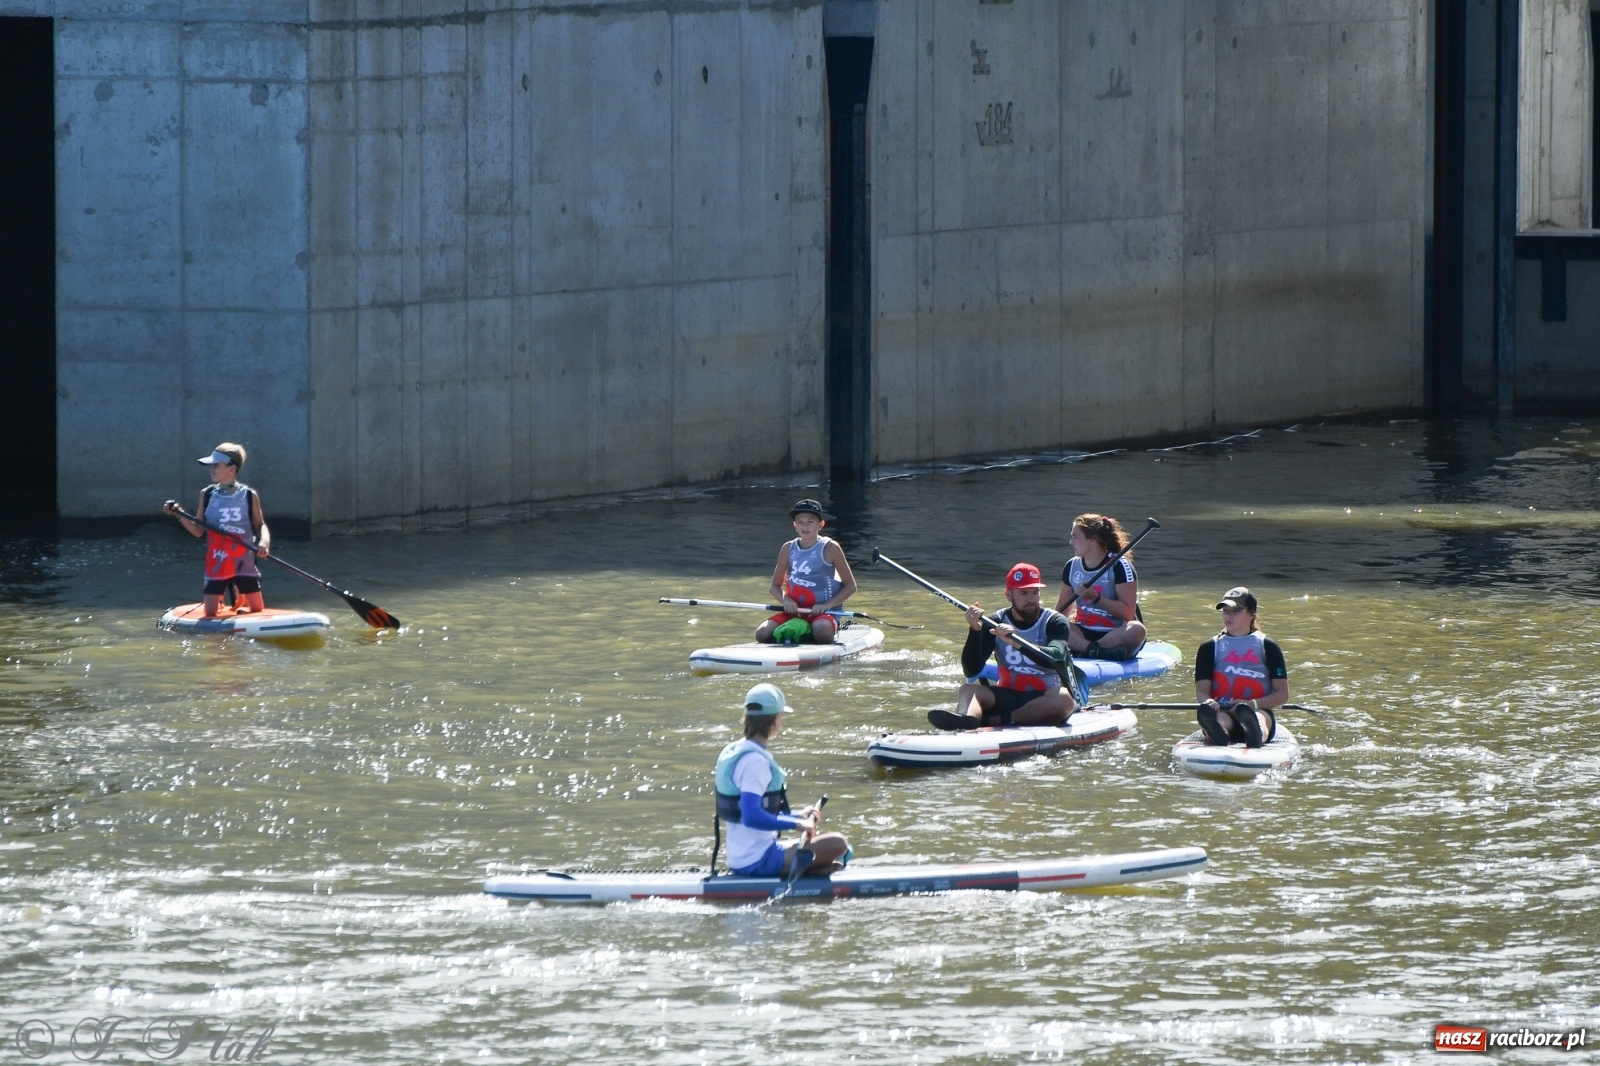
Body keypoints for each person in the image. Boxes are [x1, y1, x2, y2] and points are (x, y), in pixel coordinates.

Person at [713, 683, 850, 878]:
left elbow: (756, 810)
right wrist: (796, 825)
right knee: (839, 844)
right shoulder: (755, 763)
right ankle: (813, 870)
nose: (782, 721)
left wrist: (797, 816)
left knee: (837, 848)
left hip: (743, 857)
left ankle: (816, 869)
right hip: (757, 860)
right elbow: (751, 816)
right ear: (774, 720)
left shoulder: (739, 752)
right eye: (781, 716)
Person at [928, 563, 1079, 731]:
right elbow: (971, 670)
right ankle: (965, 722)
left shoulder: (1055, 621)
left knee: (1064, 700)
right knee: (968, 689)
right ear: (1009, 595)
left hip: (1045, 699)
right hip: (1008, 696)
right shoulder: (994, 621)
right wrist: (975, 631)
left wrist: (1017, 643)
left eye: (1035, 592)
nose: (1032, 599)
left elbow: (1055, 657)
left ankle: (994, 720)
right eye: (1023, 593)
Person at [162, 443, 271, 618]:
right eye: (210, 465)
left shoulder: (249, 495)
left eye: (216, 465)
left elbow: (260, 525)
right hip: (216, 563)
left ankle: (239, 595)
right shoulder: (206, 494)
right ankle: (226, 601)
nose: (211, 469)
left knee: (257, 611)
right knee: (210, 613)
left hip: (244, 563)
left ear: (232, 468)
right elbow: (198, 531)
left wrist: (264, 542)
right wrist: (179, 514)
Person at [1194, 586, 1289, 747]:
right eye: (1225, 610)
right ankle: (1219, 733)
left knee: (1258, 718)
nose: (1228, 615)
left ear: (1252, 614)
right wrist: (1209, 702)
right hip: (1222, 710)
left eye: (1235, 610)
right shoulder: (1209, 647)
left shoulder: (1268, 646)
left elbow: (1282, 695)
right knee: (1220, 719)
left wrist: (1252, 704)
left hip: (1257, 711)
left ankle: (1256, 734)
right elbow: (1202, 691)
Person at [754, 499, 858, 644]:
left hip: (824, 613)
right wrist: (786, 600)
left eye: (810, 522)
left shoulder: (831, 548)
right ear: (795, 525)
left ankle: (815, 632)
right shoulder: (787, 548)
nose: (805, 526)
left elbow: (850, 586)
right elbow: (774, 587)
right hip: (795, 612)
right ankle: (796, 632)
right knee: (761, 634)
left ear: (820, 525)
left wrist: (826, 605)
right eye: (800, 522)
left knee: (821, 631)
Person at [1054, 513, 1147, 660]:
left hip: (1115, 634)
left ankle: (1089, 649)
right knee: (1054, 624)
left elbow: (1128, 614)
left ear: (1092, 539)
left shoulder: (1120, 566)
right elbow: (1060, 614)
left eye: (1075, 537)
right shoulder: (1071, 566)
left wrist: (1096, 598)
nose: (1071, 542)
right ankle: (1092, 650)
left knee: (1137, 630)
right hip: (1082, 632)